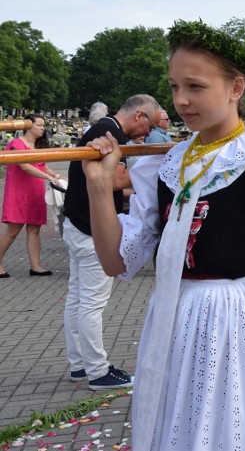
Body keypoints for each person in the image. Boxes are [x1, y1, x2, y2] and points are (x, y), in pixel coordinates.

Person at [80, 20, 245, 450]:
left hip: (239, 320)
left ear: (236, 88)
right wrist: (98, 186)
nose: (181, 100)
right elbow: (115, 262)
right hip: (173, 315)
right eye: (174, 87)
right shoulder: (167, 163)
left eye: (195, 87)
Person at [62, 94, 160, 390]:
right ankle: (97, 370)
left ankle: (79, 364)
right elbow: (115, 180)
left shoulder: (102, 129)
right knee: (91, 303)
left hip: (77, 222)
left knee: (77, 298)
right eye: (149, 126)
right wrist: (154, 170)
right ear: (140, 115)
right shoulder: (110, 133)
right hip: (90, 228)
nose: (146, 134)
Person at [0, 114, 64, 278]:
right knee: (13, 231)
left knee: (34, 229)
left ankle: (36, 266)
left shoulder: (38, 146)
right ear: (29, 126)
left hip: (35, 193)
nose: (43, 128)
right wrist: (49, 178)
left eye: (43, 125)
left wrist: (58, 176)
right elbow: (25, 167)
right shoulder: (16, 144)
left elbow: (44, 168)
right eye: (39, 125)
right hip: (19, 193)